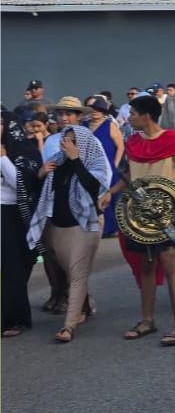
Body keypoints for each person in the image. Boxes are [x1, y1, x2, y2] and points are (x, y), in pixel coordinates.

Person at [101, 96, 175, 347]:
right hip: (138, 215)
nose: (129, 117)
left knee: (170, 264)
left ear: (147, 115)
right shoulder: (132, 142)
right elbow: (129, 177)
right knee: (146, 267)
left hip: (167, 214)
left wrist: (167, 198)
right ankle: (147, 320)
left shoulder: (173, 138)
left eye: (133, 113)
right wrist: (111, 192)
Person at [25, 124, 110, 344]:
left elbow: (95, 188)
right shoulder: (57, 161)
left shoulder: (93, 162)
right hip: (56, 227)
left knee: (77, 273)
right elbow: (37, 186)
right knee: (71, 274)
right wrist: (41, 173)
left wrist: (76, 160)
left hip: (84, 226)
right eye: (65, 139)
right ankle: (85, 305)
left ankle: (69, 326)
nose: (66, 143)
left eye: (72, 140)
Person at [1, 116, 42, 337]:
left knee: (11, 268)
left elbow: (22, 186)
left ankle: (11, 318)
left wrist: (2, 158)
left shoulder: (22, 151)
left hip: (10, 213)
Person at [83, 96, 123, 236]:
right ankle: (94, 227)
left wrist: (115, 164)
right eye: (93, 109)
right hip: (89, 168)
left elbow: (120, 146)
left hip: (108, 168)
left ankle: (110, 229)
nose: (95, 112)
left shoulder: (109, 125)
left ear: (104, 112)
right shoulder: (84, 125)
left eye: (99, 110)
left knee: (109, 197)